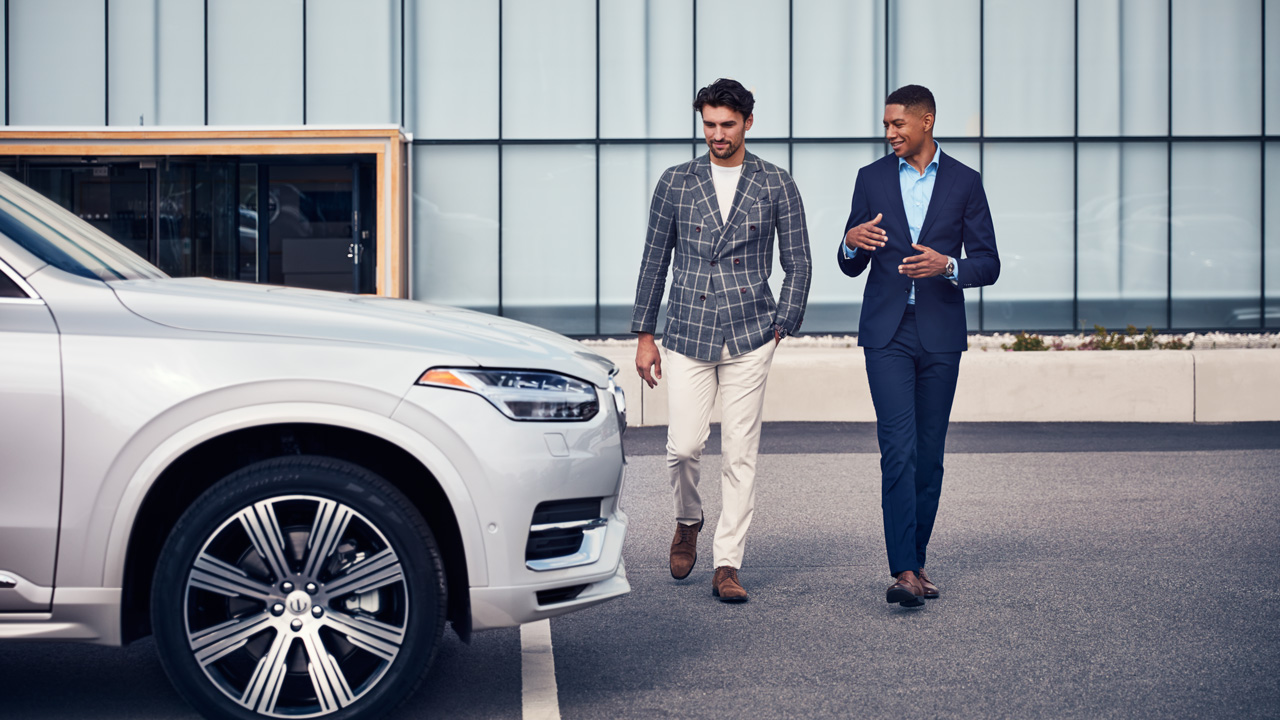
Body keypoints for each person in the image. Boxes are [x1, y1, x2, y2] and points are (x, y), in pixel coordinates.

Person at [632, 78, 811, 603]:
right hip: (686, 331)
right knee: (682, 446)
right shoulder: (675, 182)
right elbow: (653, 260)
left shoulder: (777, 183)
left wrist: (784, 321)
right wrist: (645, 335)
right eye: (708, 124)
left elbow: (797, 260)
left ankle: (727, 563)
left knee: (740, 452)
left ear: (748, 123)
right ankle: (688, 520)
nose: (717, 135)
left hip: (752, 332)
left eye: (727, 125)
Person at [838, 84, 1000, 608]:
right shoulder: (871, 178)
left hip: (940, 333)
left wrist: (947, 266)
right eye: (886, 125)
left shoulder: (965, 183)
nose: (889, 134)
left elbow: (989, 263)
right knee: (899, 450)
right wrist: (849, 242)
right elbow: (850, 259)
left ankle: (918, 559)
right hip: (886, 332)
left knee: (929, 456)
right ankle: (903, 570)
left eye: (897, 125)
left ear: (926, 121)